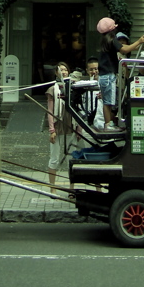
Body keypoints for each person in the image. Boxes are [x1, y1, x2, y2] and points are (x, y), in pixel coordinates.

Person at [96, 18, 144, 129]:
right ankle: (108, 124)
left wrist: (138, 44)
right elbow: (124, 50)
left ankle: (109, 123)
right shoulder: (112, 39)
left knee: (108, 102)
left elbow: (126, 48)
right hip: (109, 75)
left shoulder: (105, 40)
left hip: (105, 75)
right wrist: (138, 41)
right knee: (108, 102)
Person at [47, 61, 79, 193]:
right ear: (56, 73)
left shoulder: (75, 87)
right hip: (57, 126)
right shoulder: (52, 89)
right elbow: (49, 111)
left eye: (65, 69)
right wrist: (51, 130)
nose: (63, 72)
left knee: (71, 159)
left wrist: (79, 129)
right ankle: (52, 189)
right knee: (54, 158)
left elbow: (78, 110)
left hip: (71, 125)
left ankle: (72, 189)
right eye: (60, 70)